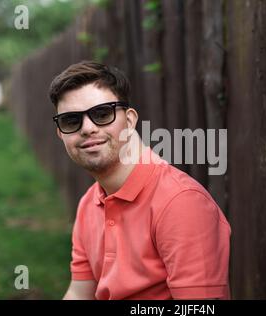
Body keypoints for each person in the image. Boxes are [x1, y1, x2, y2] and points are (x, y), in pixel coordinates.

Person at [49, 61, 231, 300]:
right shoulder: (89, 203)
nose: (87, 128)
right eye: (72, 120)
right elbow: (78, 294)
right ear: (61, 133)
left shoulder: (181, 203)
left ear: (130, 120)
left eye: (102, 114)